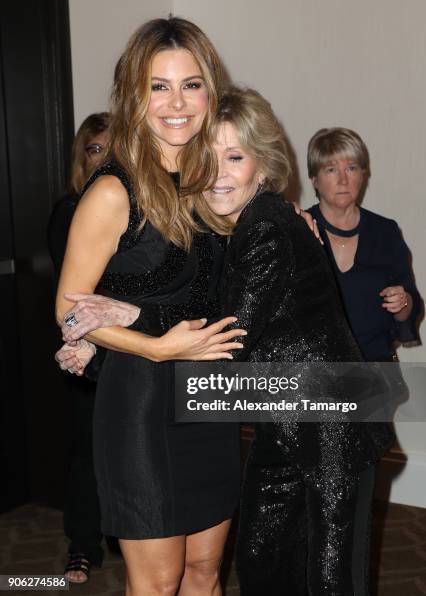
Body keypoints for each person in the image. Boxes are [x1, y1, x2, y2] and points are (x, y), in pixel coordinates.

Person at [57, 86, 394, 594]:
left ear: (264, 165)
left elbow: (231, 333)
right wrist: (106, 333)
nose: (216, 172)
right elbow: (197, 295)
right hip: (281, 428)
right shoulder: (233, 222)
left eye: (234, 157)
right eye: (205, 157)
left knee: (319, 579)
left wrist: (130, 315)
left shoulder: (264, 227)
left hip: (325, 437)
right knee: (264, 567)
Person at [55, 18, 247, 596]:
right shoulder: (113, 192)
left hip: (210, 397)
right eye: (158, 86)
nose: (177, 103)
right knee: (159, 584)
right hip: (139, 406)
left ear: (211, 90)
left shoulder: (213, 180)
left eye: (191, 84)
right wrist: (158, 348)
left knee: (205, 573)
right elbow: (66, 314)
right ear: (134, 95)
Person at [47, 112, 110, 583]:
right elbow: (74, 295)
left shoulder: (134, 208)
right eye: (95, 149)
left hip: (131, 344)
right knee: (88, 449)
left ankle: (119, 536)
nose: (105, 157)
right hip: (87, 345)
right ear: (82, 157)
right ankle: (82, 546)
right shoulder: (70, 211)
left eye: (113, 149)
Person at [306, 127, 421, 363]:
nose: (343, 179)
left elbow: (410, 306)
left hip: (377, 376)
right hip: (314, 377)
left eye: (351, 168)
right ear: (314, 180)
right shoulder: (299, 229)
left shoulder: (385, 232)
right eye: (331, 169)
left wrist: (403, 302)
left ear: (363, 174)